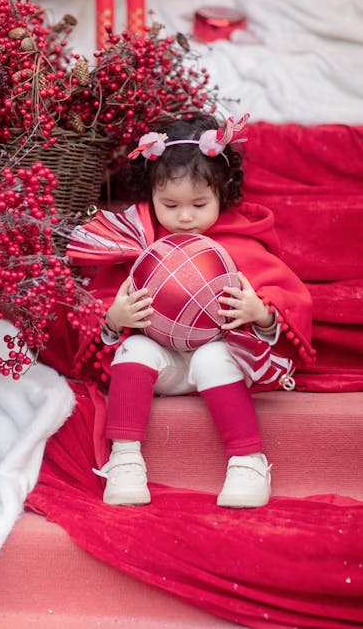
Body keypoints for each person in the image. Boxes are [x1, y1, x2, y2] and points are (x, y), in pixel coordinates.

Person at [57, 112, 314, 509]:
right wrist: (114, 319)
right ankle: (125, 458)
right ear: (150, 196)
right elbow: (100, 304)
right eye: (170, 204)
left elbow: (287, 297)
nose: (185, 217)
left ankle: (247, 459)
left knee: (213, 357)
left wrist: (259, 313)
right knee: (134, 350)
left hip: (219, 361)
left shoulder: (238, 241)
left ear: (222, 192)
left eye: (199, 203)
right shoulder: (138, 242)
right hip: (161, 363)